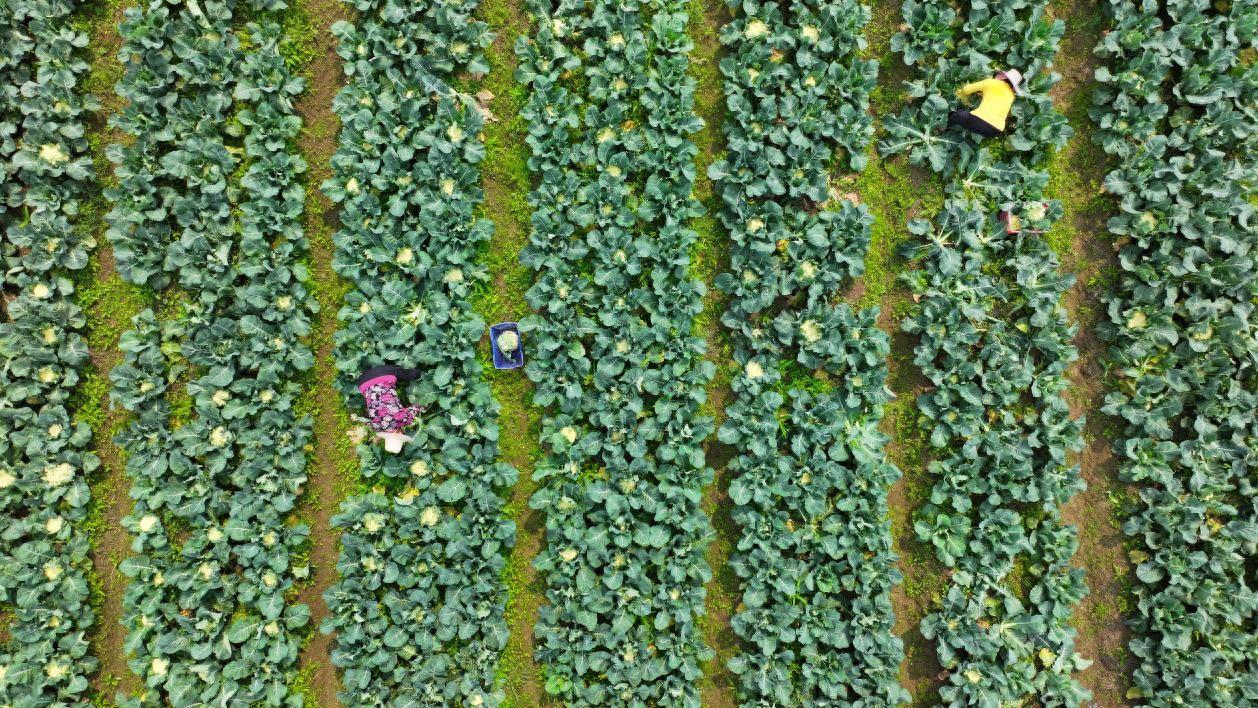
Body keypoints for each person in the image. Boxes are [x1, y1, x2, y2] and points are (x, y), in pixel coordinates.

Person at [356, 365, 425, 453]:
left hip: (383, 374)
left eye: (402, 435)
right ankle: (372, 369)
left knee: (406, 374)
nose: (403, 432)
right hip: (362, 383)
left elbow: (417, 406)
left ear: (397, 433)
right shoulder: (375, 427)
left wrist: (424, 406)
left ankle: (423, 373)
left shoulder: (402, 420)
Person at [948, 69, 1025, 138]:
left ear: (1005, 77)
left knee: (957, 115)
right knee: (972, 125)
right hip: (995, 131)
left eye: (1002, 74)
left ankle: (940, 129)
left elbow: (965, 90)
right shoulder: (1012, 95)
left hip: (978, 121)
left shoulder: (991, 82)